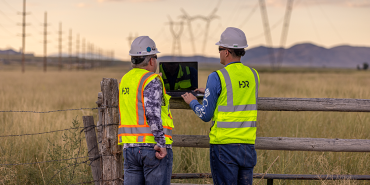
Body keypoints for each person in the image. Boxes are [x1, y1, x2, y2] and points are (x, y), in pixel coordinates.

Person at [181, 27, 260, 185]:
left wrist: (192, 102)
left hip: (224, 147)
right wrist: (211, 91)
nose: (219, 52)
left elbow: (205, 115)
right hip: (247, 146)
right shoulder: (253, 74)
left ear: (226, 52)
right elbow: (237, 93)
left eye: (220, 49)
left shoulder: (217, 77)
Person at [118, 36, 174, 185]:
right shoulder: (151, 79)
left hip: (130, 148)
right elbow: (152, 114)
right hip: (152, 148)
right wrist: (161, 143)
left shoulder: (125, 80)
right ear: (151, 60)